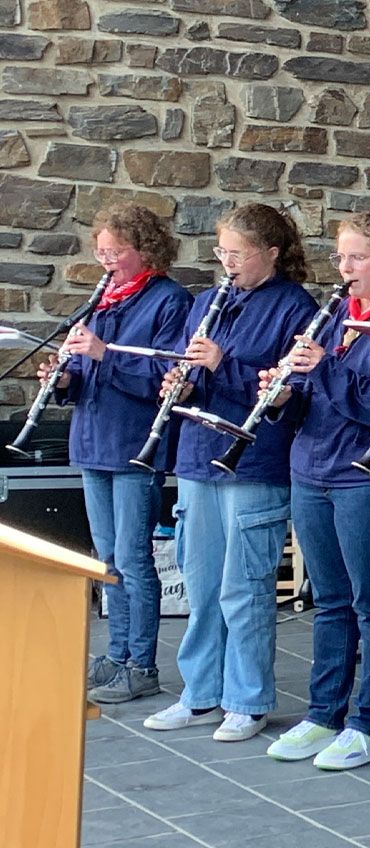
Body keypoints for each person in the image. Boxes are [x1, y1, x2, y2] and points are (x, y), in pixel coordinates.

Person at [259, 213, 370, 770]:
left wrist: (325, 369)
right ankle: (323, 713)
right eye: (340, 257)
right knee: (330, 601)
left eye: (357, 257)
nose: (344, 268)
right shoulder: (335, 313)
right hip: (312, 468)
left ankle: (369, 724)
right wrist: (284, 393)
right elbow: (315, 393)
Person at [139, 205, 317, 742]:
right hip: (198, 455)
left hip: (253, 461)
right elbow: (187, 373)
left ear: (271, 253)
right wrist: (182, 384)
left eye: (236, 254)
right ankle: (199, 694)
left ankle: (246, 698)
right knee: (201, 582)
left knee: (244, 587)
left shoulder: (296, 308)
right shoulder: (204, 304)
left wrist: (222, 365)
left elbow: (291, 393)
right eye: (222, 252)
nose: (227, 263)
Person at [46, 203, 192, 707]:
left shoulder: (168, 300)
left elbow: (164, 378)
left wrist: (102, 355)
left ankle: (141, 664)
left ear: (144, 250)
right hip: (93, 439)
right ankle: (117, 652)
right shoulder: (105, 297)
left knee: (133, 557)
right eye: (101, 251)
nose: (106, 260)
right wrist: (65, 379)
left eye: (116, 252)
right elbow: (87, 374)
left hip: (134, 443)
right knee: (107, 559)